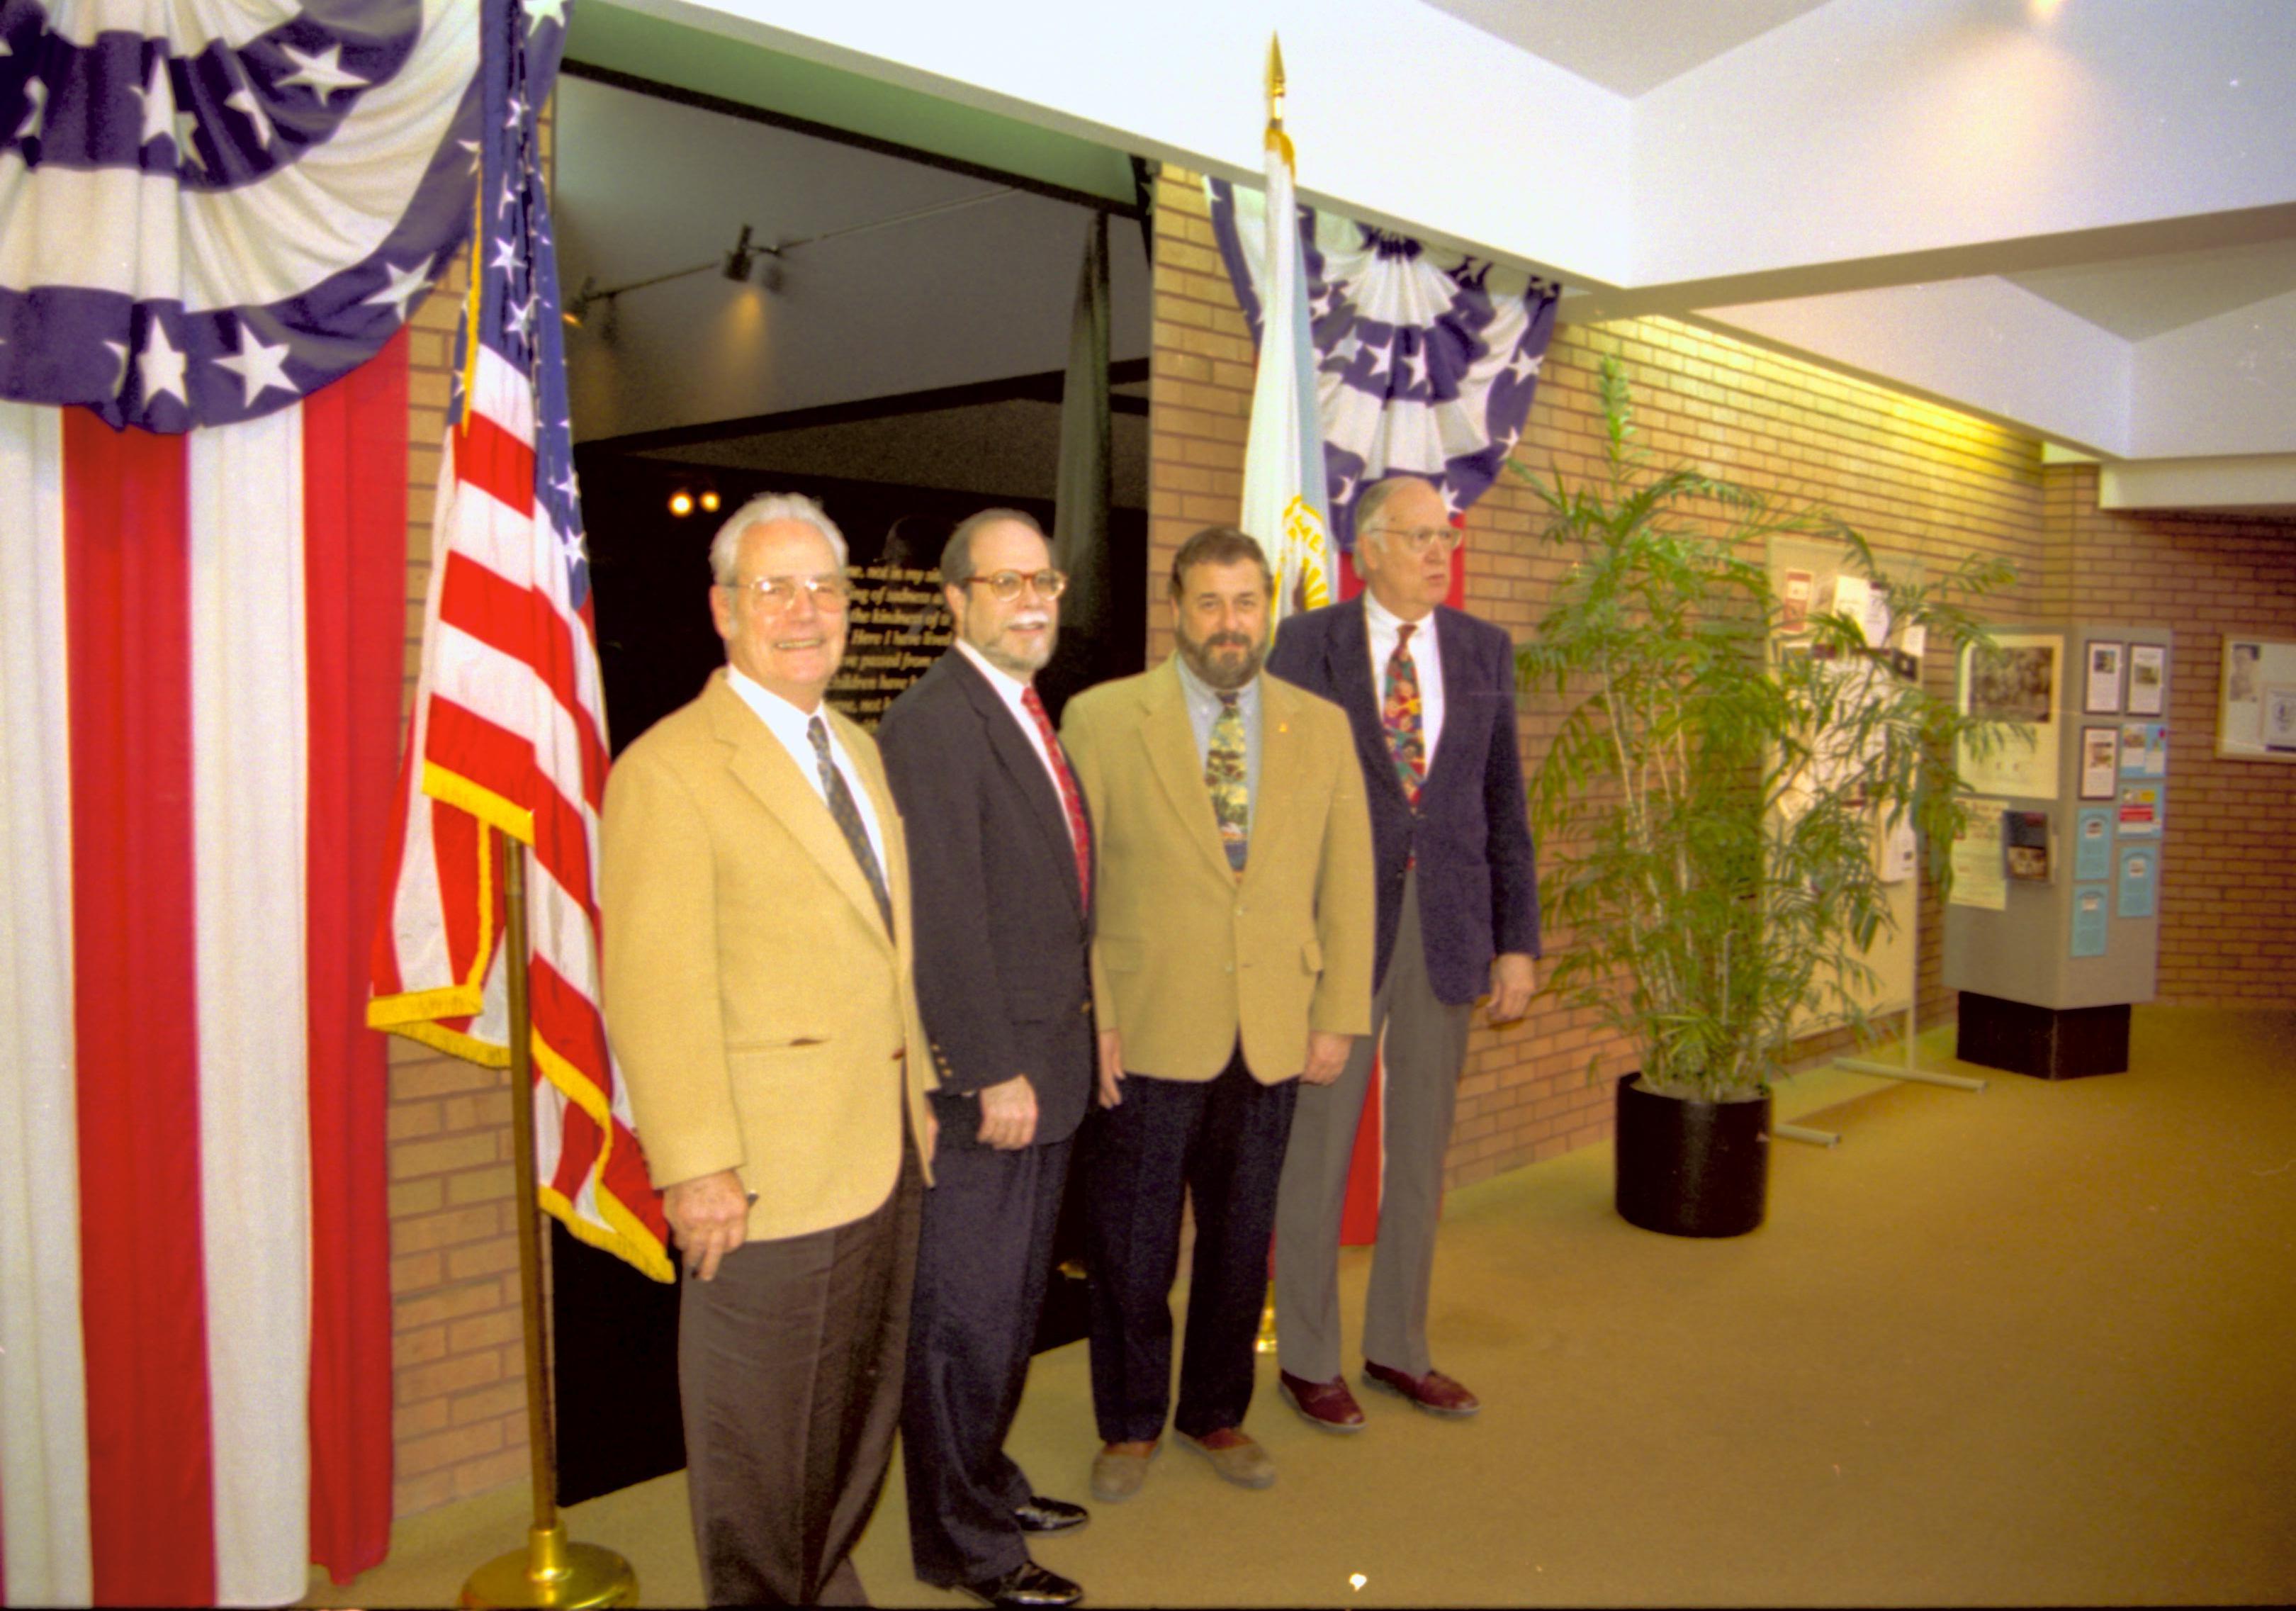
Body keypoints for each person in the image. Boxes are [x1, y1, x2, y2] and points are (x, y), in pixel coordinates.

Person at [598, 492, 936, 1606]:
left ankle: (820, 1575)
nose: (804, 612)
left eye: (824, 588)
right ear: (723, 611)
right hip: (763, 1178)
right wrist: (696, 1166)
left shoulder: (857, 747)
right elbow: (654, 987)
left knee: (850, 1416)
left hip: (881, 1150)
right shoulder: (671, 768)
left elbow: (886, 952)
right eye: (773, 588)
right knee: (756, 1450)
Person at [1059, 526, 1373, 1502]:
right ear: (1177, 606)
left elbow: (1350, 878)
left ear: (1267, 606)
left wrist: (1338, 1014)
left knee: (1242, 1240)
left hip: (1274, 1025)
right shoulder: (1103, 718)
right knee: (1133, 1243)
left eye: (1246, 602)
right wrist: (1094, 1015)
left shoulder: (1318, 724)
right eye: (1209, 602)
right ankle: (1130, 1421)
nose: (1229, 622)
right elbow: (1075, 886)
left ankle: (1214, 1411)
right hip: (1148, 1024)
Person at [1266, 473, 1540, 1430]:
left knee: (1420, 1153)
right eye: (1419, 535)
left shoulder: (1482, 650)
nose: (1439, 552)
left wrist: (1517, 941)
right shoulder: (1305, 645)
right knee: (1318, 1150)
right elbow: (1280, 806)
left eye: (1447, 535)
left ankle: (1400, 1348)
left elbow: (1505, 806)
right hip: (1338, 931)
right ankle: (1306, 1356)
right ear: (1366, 545)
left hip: (1449, 929)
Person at [877, 510, 1096, 1611]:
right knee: (963, 1319)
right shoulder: (932, 723)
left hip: (1049, 1069)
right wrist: (988, 1066)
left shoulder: (1017, 706)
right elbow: (946, 919)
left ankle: (990, 1478)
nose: (1031, 598)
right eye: (1004, 582)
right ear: (953, 599)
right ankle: (966, 1543)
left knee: (1010, 1306)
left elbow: (1053, 904)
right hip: (992, 1087)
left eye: (1042, 578)